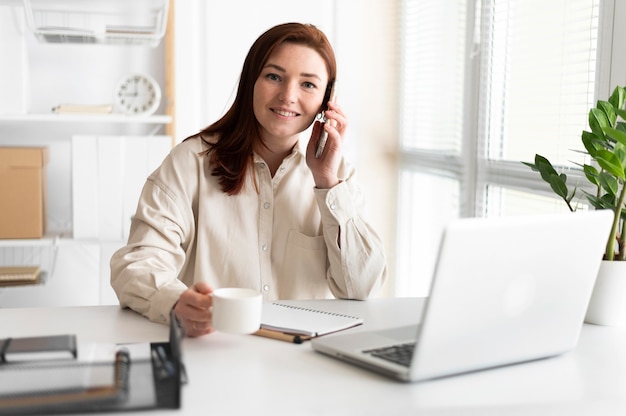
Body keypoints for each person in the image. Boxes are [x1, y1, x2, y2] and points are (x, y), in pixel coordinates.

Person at [110, 22, 387, 337]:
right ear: (250, 82)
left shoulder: (337, 177)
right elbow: (136, 264)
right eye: (273, 77)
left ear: (328, 100)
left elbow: (362, 286)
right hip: (214, 354)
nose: (288, 96)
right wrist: (175, 302)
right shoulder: (190, 162)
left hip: (305, 363)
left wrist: (326, 182)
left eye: (308, 85)